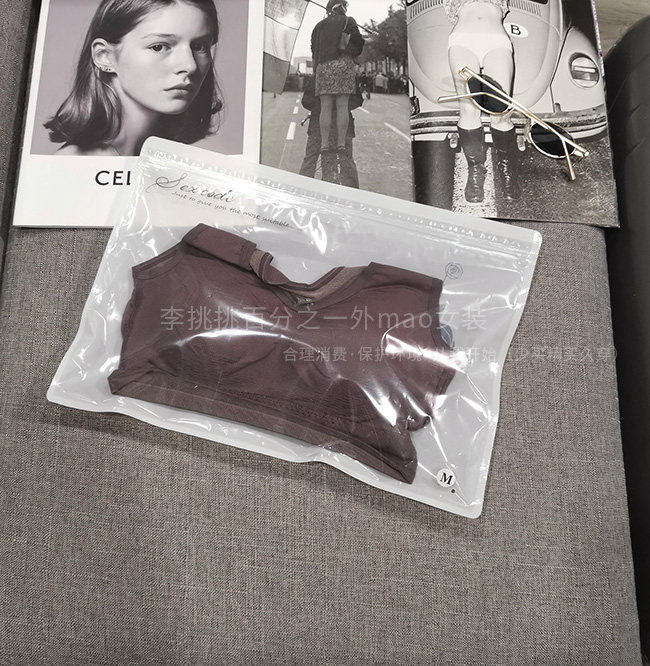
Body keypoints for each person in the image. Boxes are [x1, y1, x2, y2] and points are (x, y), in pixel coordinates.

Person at [45, 0, 222, 157]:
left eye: (200, 46)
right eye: (159, 47)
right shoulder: (74, 164)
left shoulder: (166, 159)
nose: (190, 65)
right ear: (104, 56)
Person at [444, 0, 521, 202]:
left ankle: (507, 169)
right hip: (462, 40)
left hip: (496, 40)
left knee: (501, 112)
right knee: (468, 109)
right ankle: (476, 170)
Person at [311, 0, 364, 182]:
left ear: (328, 9)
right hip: (344, 66)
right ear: (344, 7)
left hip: (324, 67)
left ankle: (325, 144)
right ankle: (341, 144)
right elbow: (358, 46)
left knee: (325, 107)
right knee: (342, 106)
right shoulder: (349, 21)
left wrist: (317, 69)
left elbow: (314, 49)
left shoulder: (319, 25)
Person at [299, 78, 361, 188]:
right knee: (347, 159)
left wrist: (322, 106)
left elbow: (306, 101)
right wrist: (341, 107)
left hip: (317, 125)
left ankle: (302, 188)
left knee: (310, 159)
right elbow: (358, 100)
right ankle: (353, 191)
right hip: (344, 127)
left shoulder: (318, 76)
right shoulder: (348, 76)